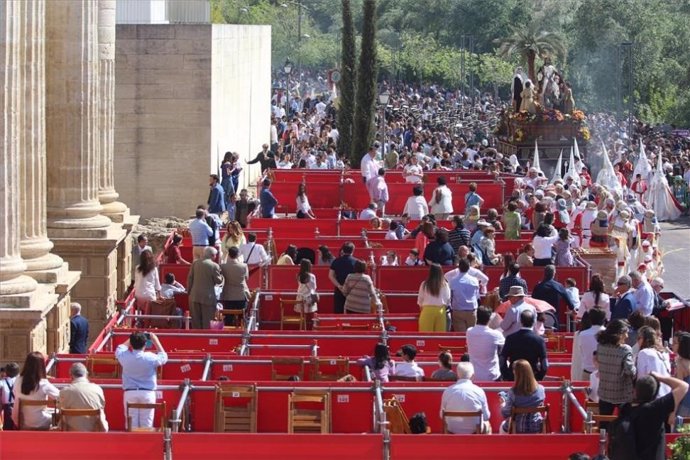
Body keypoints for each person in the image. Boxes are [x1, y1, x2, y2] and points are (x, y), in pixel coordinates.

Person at [609, 372, 689, 460]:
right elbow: (683, 386)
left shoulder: (624, 409)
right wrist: (660, 377)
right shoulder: (657, 408)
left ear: (635, 391)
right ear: (655, 393)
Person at [115, 332, 168, 429]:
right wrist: (155, 340)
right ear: (145, 344)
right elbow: (164, 358)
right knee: (147, 426)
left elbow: (120, 348)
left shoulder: (125, 356)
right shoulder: (150, 357)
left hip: (130, 393)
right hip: (147, 393)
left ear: (131, 344)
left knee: (131, 426)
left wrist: (132, 339)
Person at [596, 319, 635, 418]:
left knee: (604, 425)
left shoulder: (600, 347)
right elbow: (630, 370)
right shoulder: (625, 349)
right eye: (625, 333)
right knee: (625, 425)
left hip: (604, 392)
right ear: (619, 334)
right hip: (622, 394)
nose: (627, 336)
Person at [11, 352, 59, 430]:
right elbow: (61, 397)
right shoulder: (43, 383)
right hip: (41, 422)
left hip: (22, 421)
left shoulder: (18, 379)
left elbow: (15, 392)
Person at [440, 362, 491, 434]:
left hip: (451, 430)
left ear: (457, 376)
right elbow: (486, 416)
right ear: (473, 376)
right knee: (488, 424)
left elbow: (442, 415)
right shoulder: (479, 391)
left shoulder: (447, 391)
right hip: (475, 430)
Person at [500, 310, 549, 381]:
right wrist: (538, 377)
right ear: (534, 322)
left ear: (520, 321)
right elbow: (544, 364)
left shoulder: (510, 338)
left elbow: (502, 359)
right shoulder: (539, 340)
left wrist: (507, 375)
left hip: (514, 377)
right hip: (532, 377)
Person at [59, 363, 108, 432]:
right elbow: (102, 406)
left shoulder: (64, 391)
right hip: (94, 432)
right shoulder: (98, 389)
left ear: (71, 376)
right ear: (86, 374)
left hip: (71, 433)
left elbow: (60, 410)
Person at [500, 359, 546, 433]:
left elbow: (506, 414)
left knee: (502, 426)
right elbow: (541, 405)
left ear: (516, 374)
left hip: (517, 428)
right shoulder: (541, 389)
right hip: (536, 427)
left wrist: (503, 404)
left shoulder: (513, 392)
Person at [187, 246, 223, 329]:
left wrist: (189, 293)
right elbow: (219, 281)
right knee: (207, 323)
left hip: (194, 296)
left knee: (196, 323)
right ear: (212, 255)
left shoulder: (195, 263)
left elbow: (190, 279)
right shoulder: (214, 266)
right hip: (208, 298)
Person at [466, 306, 505, 381]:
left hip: (475, 375)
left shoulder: (469, 331)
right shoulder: (496, 334)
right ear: (489, 318)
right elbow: (505, 348)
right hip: (492, 375)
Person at [531, 265, 575, 329]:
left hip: (540, 318)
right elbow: (569, 302)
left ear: (544, 273)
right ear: (554, 273)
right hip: (554, 317)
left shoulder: (538, 287)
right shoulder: (559, 286)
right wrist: (572, 308)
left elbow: (533, 302)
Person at [635, 326, 671, 397]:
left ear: (644, 339)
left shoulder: (644, 353)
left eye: (639, 338)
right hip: (667, 394)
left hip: (653, 395)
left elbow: (641, 378)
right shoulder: (664, 353)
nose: (637, 341)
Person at [220, 246, 250, 326]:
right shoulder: (244, 266)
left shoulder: (223, 266)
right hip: (241, 295)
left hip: (228, 295)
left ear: (229, 255)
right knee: (241, 319)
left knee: (228, 319)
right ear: (237, 255)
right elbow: (246, 278)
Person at [448, 258, 480, 333]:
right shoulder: (474, 280)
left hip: (458, 310)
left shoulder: (453, 281)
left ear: (459, 268)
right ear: (469, 267)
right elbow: (476, 294)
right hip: (471, 310)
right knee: (472, 336)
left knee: (461, 336)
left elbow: (450, 296)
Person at [417, 264, 451, 332]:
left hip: (427, 311)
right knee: (439, 338)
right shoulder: (445, 285)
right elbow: (448, 299)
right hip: (440, 311)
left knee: (426, 337)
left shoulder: (424, 284)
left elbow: (420, 300)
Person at [577, 308, 606, 381]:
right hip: (605, 373)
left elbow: (581, 351)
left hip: (587, 372)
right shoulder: (608, 334)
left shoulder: (583, 334)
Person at [329, 242, 357, 314]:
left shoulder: (336, 261)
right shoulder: (356, 262)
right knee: (352, 312)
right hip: (352, 290)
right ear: (353, 250)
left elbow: (331, 275)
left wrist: (339, 286)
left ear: (343, 250)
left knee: (339, 311)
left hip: (339, 289)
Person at [133, 249, 161, 316]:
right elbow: (157, 284)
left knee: (144, 310)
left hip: (138, 295)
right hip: (149, 295)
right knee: (151, 312)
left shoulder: (137, 268)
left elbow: (136, 282)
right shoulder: (154, 269)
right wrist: (159, 295)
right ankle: (147, 323)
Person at [295, 260, 318, 329]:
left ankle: (302, 328)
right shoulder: (311, 276)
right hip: (309, 297)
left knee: (302, 315)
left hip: (300, 297)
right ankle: (313, 328)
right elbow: (314, 287)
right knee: (312, 314)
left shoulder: (298, 276)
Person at [673, 332, 690, 417]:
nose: (672, 345)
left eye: (675, 343)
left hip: (684, 407)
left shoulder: (681, 364)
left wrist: (673, 412)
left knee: (681, 429)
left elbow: (679, 390)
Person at [0, 362, 19, 430]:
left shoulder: (2, 382)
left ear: (6, 372)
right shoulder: (19, 382)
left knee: (7, 425)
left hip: (7, 407)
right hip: (18, 406)